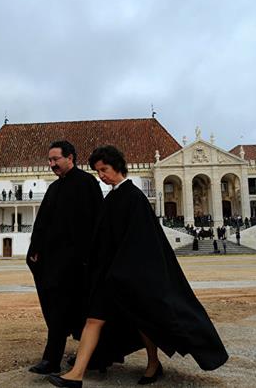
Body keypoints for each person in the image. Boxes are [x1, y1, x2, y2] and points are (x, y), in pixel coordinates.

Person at [48, 145, 227, 388]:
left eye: (104, 169)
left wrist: (124, 270)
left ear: (118, 167)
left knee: (143, 321)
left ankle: (153, 363)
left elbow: (141, 241)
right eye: (97, 171)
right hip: (106, 276)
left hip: (127, 275)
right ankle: (76, 374)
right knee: (93, 320)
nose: (101, 175)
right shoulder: (111, 197)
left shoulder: (133, 197)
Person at [26, 141, 103, 375]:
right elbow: (42, 223)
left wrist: (89, 258)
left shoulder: (87, 183)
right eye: (49, 160)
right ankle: (72, 358)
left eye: (55, 159)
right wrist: (35, 250)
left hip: (77, 264)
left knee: (76, 311)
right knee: (55, 309)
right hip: (54, 263)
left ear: (70, 158)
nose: (51, 164)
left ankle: (68, 358)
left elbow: (97, 223)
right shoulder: (54, 188)